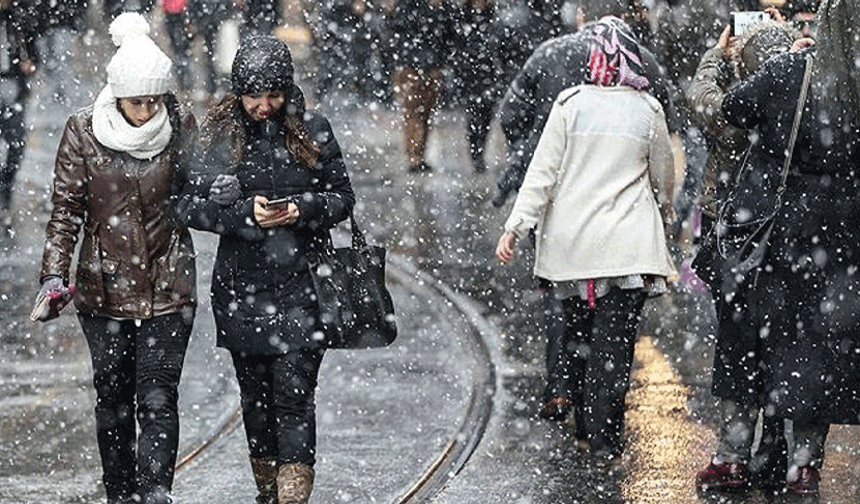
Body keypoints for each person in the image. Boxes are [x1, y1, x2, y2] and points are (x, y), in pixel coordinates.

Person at [176, 35, 355, 504]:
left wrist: (300, 209)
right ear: (237, 93)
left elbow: (343, 198)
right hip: (241, 290)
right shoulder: (217, 139)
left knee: (294, 395)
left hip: (304, 285)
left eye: (273, 94)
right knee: (255, 399)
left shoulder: (313, 131)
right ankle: (268, 488)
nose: (264, 106)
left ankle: (293, 493)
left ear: (287, 90)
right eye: (254, 96)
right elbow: (186, 205)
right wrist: (241, 217)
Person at [32, 12, 198, 504]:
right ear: (117, 95)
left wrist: (221, 194)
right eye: (137, 102)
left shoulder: (181, 124)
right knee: (113, 400)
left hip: (170, 286)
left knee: (158, 397)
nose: (147, 111)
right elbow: (66, 211)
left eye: (154, 100)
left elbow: (199, 193)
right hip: (102, 292)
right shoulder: (83, 130)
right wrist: (53, 275)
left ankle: (154, 494)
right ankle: (120, 493)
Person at [695, 0, 860, 494]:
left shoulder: (795, 68)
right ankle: (804, 466)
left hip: (773, 232)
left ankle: (732, 457)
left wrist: (787, 59)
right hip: (840, 238)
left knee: (745, 342)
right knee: (817, 350)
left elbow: (732, 109)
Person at [495, 16, 677, 464]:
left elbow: (542, 174)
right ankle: (604, 440)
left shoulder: (569, 104)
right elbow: (663, 177)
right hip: (627, 252)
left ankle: (577, 415)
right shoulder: (647, 109)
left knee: (576, 336)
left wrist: (515, 227)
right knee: (614, 348)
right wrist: (666, 211)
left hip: (571, 249)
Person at [688, 18, 800, 491]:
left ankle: (733, 456)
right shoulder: (800, 97)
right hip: (788, 234)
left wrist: (717, 53)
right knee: (785, 341)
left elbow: (700, 98)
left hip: (734, 237)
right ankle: (779, 450)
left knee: (738, 342)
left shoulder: (737, 110)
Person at [387, 0, 458, 173]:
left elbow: (449, 35)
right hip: (412, 67)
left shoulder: (443, 8)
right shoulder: (411, 7)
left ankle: (418, 156)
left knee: (425, 114)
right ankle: (414, 157)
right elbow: (401, 28)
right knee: (413, 114)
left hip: (430, 67)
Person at [0, 0, 37, 228]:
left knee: (16, 142)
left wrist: (30, 65)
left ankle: (6, 184)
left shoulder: (19, 19)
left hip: (14, 89)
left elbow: (33, 55)